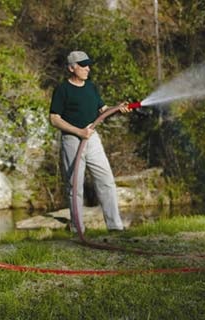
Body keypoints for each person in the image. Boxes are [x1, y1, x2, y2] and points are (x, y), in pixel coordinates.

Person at [49, 50, 131, 233]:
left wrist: (118, 108)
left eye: (88, 65)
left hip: (92, 138)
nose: (88, 68)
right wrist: (79, 131)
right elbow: (54, 118)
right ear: (72, 68)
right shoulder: (62, 90)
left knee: (106, 180)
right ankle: (77, 228)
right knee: (75, 185)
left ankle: (115, 227)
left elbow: (103, 110)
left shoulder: (91, 87)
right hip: (72, 140)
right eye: (83, 65)